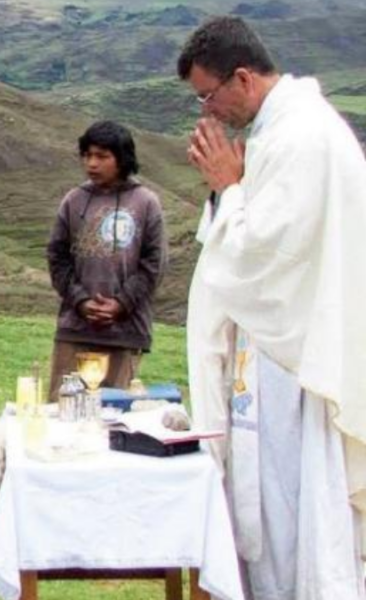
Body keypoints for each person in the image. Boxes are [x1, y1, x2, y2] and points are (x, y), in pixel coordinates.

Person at [179, 16, 366, 600]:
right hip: (271, 357)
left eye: (209, 95)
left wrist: (229, 187)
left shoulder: (302, 136)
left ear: (242, 78)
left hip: (296, 365)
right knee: (270, 516)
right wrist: (228, 191)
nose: (209, 112)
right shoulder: (278, 130)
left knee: (293, 516)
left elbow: (268, 257)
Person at [45, 120, 167, 400]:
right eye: (87, 155)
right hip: (75, 328)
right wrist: (81, 301)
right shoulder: (74, 200)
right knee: (61, 408)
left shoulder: (146, 203)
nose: (92, 164)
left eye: (102, 156)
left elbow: (154, 264)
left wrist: (121, 303)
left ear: (122, 159)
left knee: (114, 412)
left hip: (125, 330)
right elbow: (57, 257)